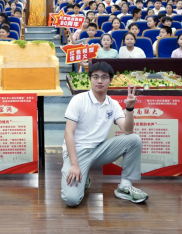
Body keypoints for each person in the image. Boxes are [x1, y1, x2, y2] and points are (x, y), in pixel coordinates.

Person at [61, 62, 147, 206]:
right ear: (90, 79)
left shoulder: (113, 104)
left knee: (134, 140)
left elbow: (127, 130)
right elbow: (68, 133)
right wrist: (74, 165)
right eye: (95, 77)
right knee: (72, 200)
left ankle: (125, 186)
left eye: (104, 77)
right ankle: (83, 175)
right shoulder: (78, 100)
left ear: (110, 80)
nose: (99, 81)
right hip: (78, 153)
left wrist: (129, 109)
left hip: (99, 150)